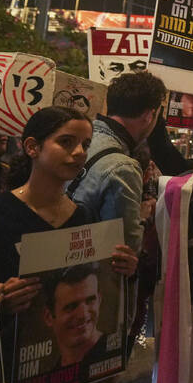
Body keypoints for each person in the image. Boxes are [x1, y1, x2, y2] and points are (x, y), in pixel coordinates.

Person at [0, 106, 138, 383]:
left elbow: (97, 284)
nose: (78, 153)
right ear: (32, 147)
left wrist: (121, 269)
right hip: (6, 380)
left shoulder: (84, 216)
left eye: (85, 144)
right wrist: (2, 296)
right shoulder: (1, 213)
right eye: (66, 142)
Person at [71, 70, 168, 254]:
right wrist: (142, 215)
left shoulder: (76, 140)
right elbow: (126, 246)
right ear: (149, 115)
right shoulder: (123, 167)